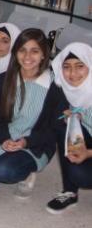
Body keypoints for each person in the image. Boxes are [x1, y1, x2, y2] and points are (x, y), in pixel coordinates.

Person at [0, 29, 55, 201]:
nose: (27, 56)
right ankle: (2, 162)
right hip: (4, 139)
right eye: (22, 50)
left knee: (4, 170)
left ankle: (28, 172)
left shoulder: (54, 85)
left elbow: (53, 129)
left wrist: (26, 142)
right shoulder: (4, 79)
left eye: (34, 51)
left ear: (44, 54)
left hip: (34, 144)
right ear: (15, 52)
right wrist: (4, 138)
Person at [45, 42, 92, 214]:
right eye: (66, 67)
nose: (72, 73)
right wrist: (71, 119)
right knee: (63, 126)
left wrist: (87, 153)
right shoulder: (64, 87)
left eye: (80, 66)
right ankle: (70, 192)